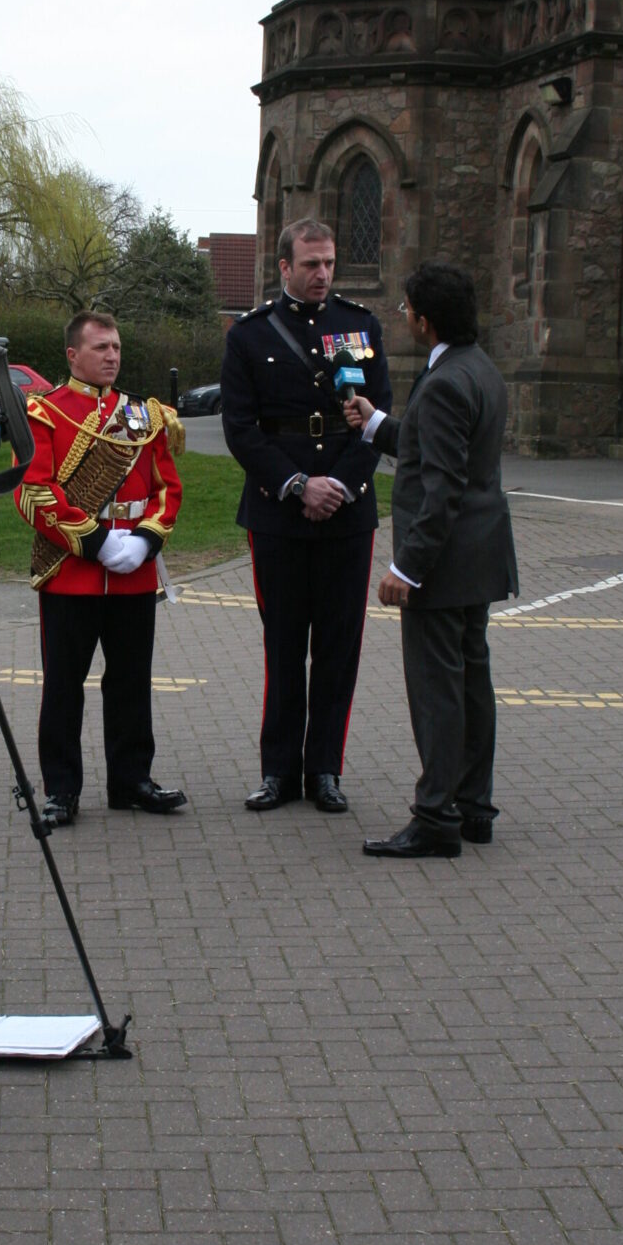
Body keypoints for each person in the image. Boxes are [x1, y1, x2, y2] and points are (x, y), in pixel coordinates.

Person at [346, 260, 518, 858]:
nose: (404, 319)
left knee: (437, 690)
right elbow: (439, 449)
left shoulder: (444, 381)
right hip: (479, 556)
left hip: (443, 563)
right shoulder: (479, 369)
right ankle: (474, 808)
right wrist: (377, 426)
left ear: (423, 319)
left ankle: (435, 815)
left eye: (406, 310)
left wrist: (406, 568)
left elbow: (442, 487)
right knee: (472, 682)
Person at [220, 218, 390, 814]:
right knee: (284, 646)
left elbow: (379, 419)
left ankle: (324, 771)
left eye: (329, 263)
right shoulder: (249, 335)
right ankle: (277, 772)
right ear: (285, 267)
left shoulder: (359, 326)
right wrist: (297, 485)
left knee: (339, 648)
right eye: (310, 264)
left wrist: (340, 484)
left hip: (346, 512)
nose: (322, 274)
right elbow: (240, 429)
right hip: (279, 513)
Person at [14, 310, 186, 827]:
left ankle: (131, 780)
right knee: (64, 684)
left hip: (133, 569)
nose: (112, 356)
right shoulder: (45, 412)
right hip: (73, 571)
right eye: (100, 348)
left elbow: (167, 489)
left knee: (132, 680)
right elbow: (34, 492)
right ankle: (61, 789)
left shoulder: (145, 414)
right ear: (72, 355)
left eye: (115, 347)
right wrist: (94, 542)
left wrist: (147, 540)